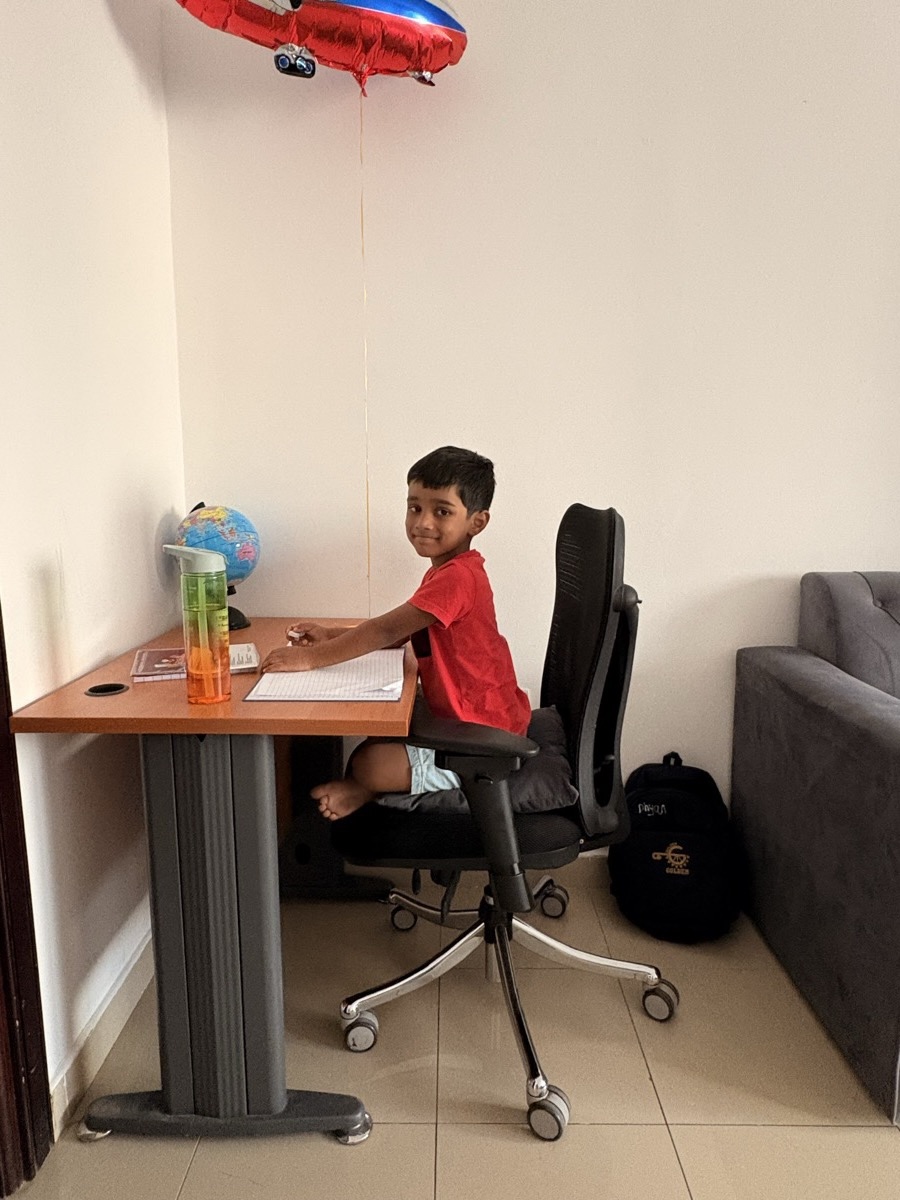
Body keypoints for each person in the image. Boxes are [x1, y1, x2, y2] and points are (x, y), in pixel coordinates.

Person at [261, 446, 531, 820]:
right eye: (414, 507)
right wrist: (330, 634)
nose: (422, 522)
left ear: (477, 522)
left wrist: (309, 658)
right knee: (369, 746)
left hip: (485, 741)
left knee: (370, 763)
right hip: (473, 720)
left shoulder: (457, 578)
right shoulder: (448, 570)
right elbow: (399, 632)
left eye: (442, 511)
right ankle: (362, 787)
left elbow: (385, 628)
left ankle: (362, 789)